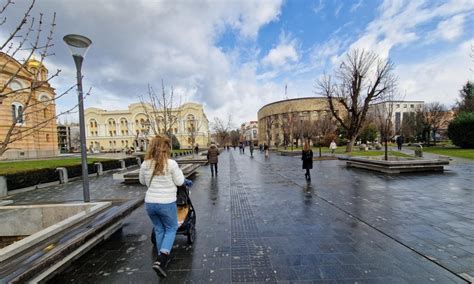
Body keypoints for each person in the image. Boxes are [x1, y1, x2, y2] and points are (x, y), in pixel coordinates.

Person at [139, 135, 185, 277]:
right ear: (166, 148)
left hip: (150, 203)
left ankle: (160, 257)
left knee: (159, 229)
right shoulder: (171, 164)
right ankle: (162, 259)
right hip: (166, 203)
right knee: (171, 228)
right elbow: (180, 181)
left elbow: (142, 181)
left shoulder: (145, 163)